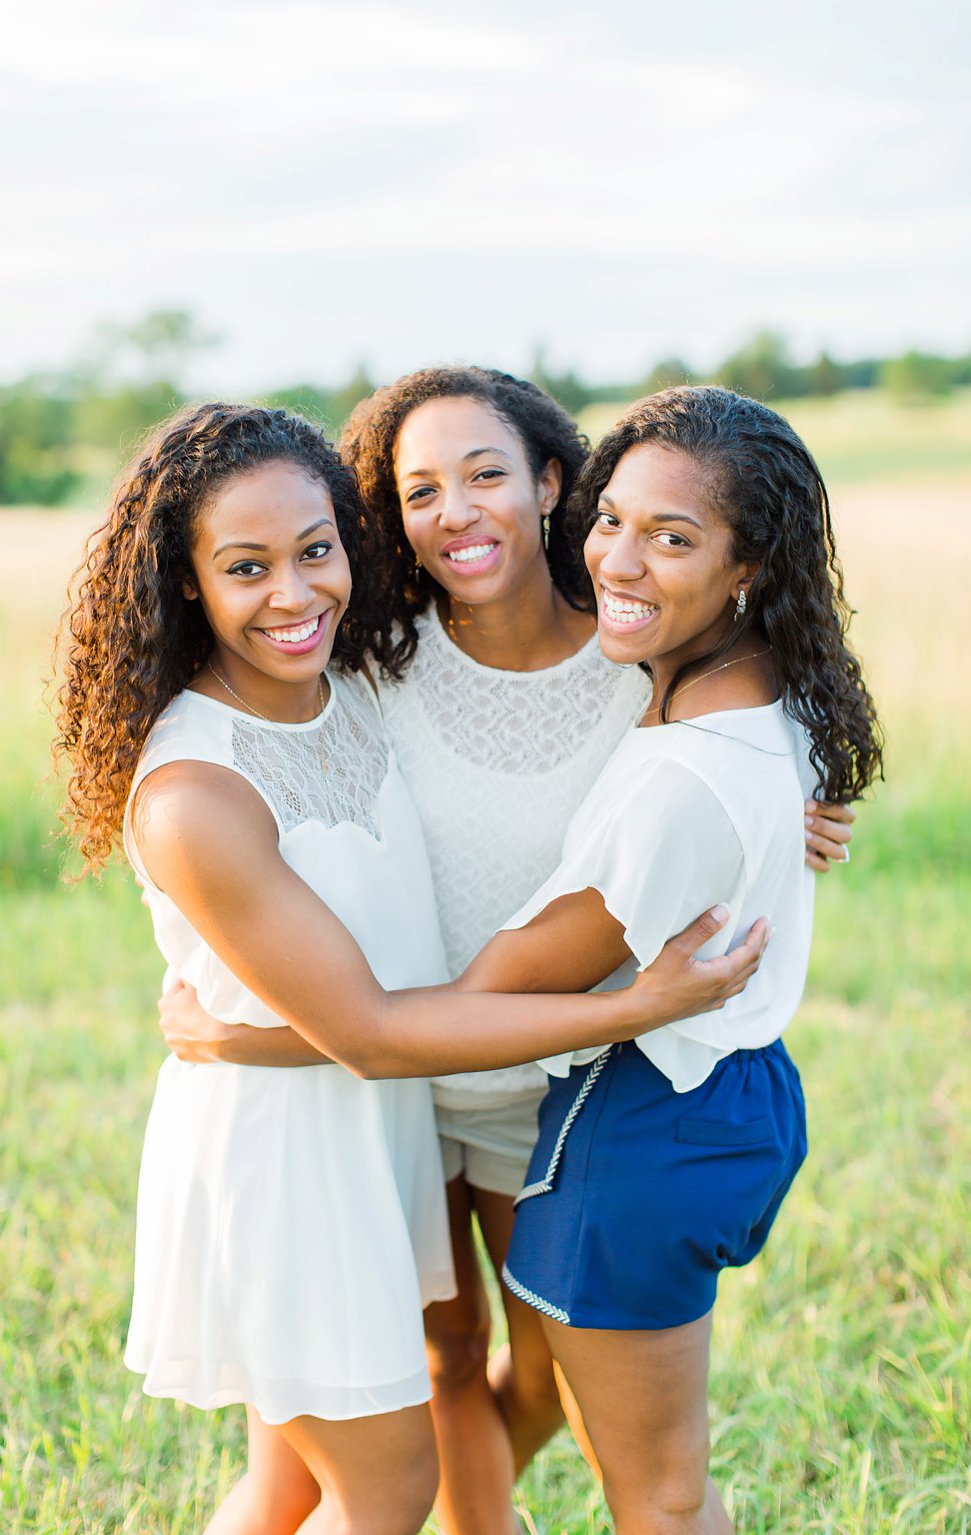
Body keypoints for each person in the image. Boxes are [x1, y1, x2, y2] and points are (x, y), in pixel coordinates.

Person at [161, 386, 879, 1534]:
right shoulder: (368, 665)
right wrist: (279, 1028)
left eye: (485, 472)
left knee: (549, 1373)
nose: (457, 510)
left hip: (539, 1082)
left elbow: (702, 784)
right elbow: (272, 809)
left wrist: (783, 812)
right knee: (438, 1358)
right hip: (378, 1087)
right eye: (418, 490)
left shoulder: (632, 646)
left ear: (552, 481)